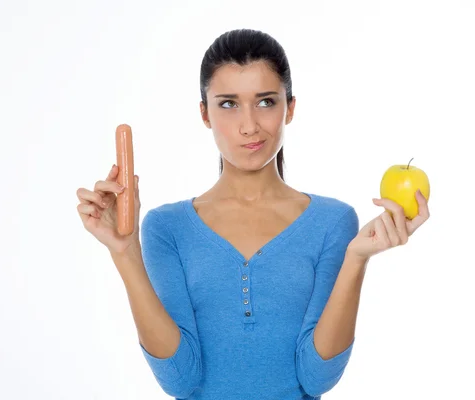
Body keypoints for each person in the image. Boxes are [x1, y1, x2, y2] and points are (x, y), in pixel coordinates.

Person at [76, 28, 430, 400]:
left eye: (265, 102)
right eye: (228, 103)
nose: (249, 126)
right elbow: (180, 379)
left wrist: (356, 260)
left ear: (289, 108)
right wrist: (124, 252)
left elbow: (316, 377)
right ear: (204, 113)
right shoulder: (167, 228)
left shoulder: (334, 222)